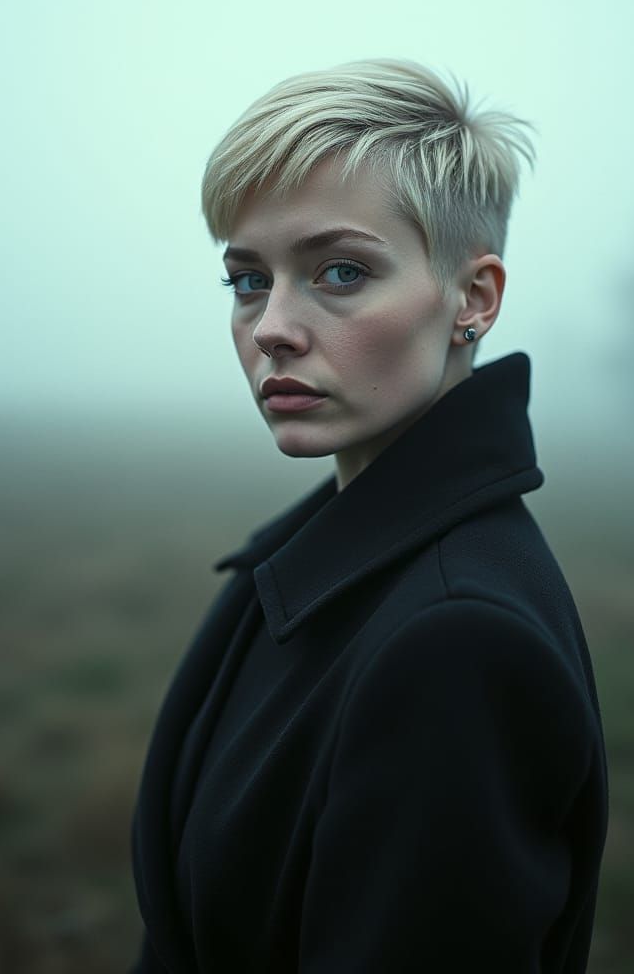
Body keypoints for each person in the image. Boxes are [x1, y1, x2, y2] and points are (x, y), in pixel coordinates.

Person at [130, 59, 608, 973]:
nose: (271, 325)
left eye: (340, 272)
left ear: (474, 298)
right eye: (246, 280)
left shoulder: (456, 642)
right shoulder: (323, 559)